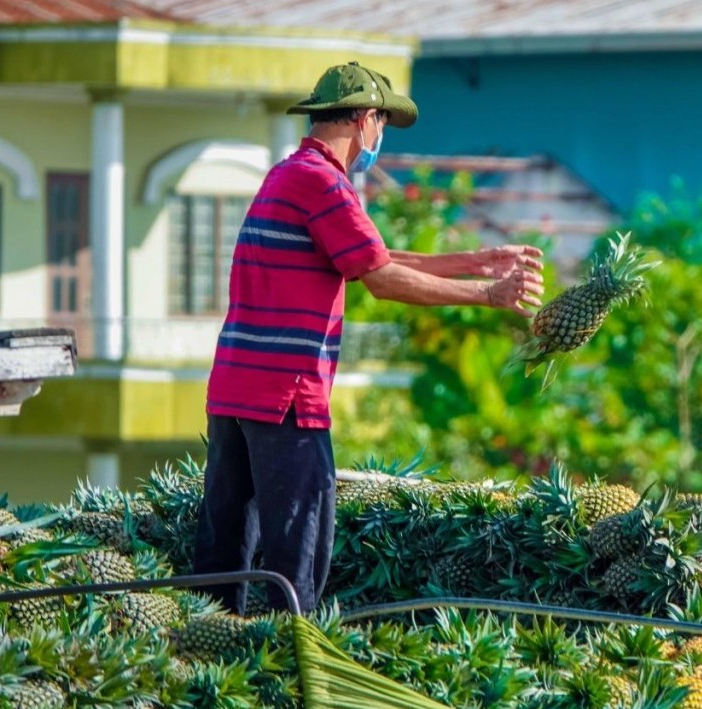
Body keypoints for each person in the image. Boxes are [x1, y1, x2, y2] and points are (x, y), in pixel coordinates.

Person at [192, 61, 545, 615]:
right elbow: (380, 279)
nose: (379, 137)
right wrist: (487, 295)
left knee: (223, 559)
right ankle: (292, 673)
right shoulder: (324, 182)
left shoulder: (291, 174)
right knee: (297, 566)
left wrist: (478, 261)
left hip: (236, 390)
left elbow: (369, 256)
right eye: (381, 123)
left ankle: (205, 663)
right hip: (287, 396)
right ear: (364, 120)